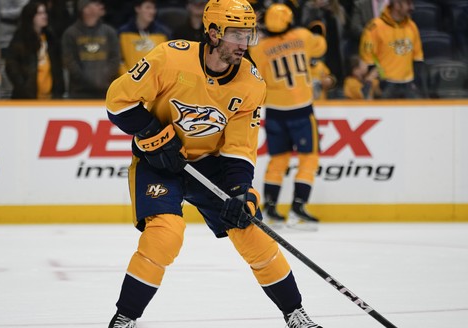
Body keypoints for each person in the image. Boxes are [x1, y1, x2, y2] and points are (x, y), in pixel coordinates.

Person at [104, 0, 324, 327]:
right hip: (160, 162)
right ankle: (126, 317)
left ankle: (295, 313)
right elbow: (117, 101)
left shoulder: (252, 84)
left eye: (248, 34)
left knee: (253, 234)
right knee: (165, 235)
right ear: (213, 33)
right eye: (236, 34)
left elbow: (239, 147)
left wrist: (240, 191)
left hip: (212, 167)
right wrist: (154, 134)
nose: (244, 43)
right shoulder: (169, 57)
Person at [248, 4, 327, 231]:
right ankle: (298, 208)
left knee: (278, 159)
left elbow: (257, 77)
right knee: (308, 158)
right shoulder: (302, 36)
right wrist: (318, 32)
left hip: (274, 110)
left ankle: (271, 209)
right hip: (301, 108)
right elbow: (320, 48)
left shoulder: (259, 49)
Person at [359, 0, 424, 99]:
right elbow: (367, 59)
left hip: (408, 85)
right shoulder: (375, 27)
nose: (412, 8)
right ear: (397, 4)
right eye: (408, 4)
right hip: (385, 86)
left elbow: (417, 58)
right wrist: (377, 82)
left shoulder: (412, 26)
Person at [5, 0, 65, 99]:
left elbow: (58, 68)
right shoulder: (20, 39)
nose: (44, 16)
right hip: (27, 100)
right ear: (30, 16)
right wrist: (23, 88)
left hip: (50, 98)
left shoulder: (51, 38)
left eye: (45, 12)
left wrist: (58, 91)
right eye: (40, 13)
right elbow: (11, 67)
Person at [61, 0, 120, 99]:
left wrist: (104, 78)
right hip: (79, 93)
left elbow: (115, 59)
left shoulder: (109, 32)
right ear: (85, 9)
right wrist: (86, 80)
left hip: (105, 91)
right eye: (96, 4)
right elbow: (69, 62)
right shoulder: (70, 33)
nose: (101, 6)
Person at [117, 0, 171, 75]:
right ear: (137, 8)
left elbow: (168, 60)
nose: (152, 11)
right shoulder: (122, 33)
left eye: (154, 8)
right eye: (148, 8)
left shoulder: (164, 33)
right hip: (129, 81)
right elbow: (118, 60)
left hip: (155, 81)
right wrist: (128, 78)